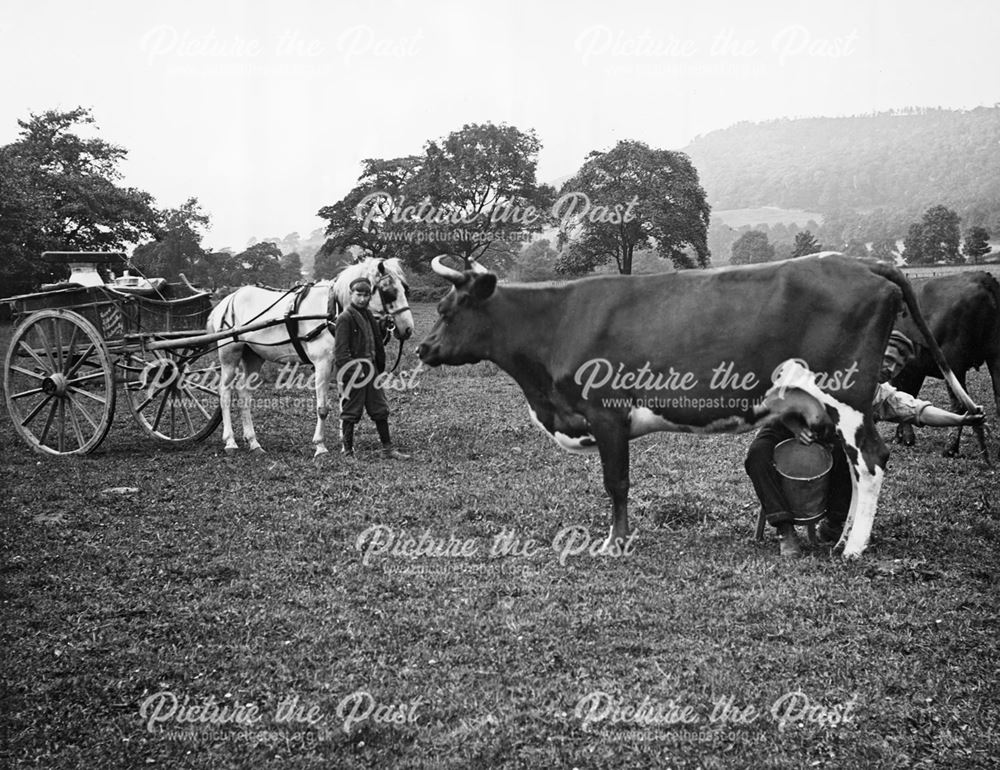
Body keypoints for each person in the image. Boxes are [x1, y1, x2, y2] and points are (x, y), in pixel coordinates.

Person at [745, 331, 985, 556]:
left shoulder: (876, 393)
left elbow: (917, 410)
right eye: (888, 359)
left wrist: (960, 419)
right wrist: (795, 426)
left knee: (853, 452)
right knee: (757, 455)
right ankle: (784, 530)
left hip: (827, 435)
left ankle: (834, 522)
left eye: (899, 365)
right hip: (785, 423)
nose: (891, 369)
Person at [333, 277, 410, 460]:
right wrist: (355, 373)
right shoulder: (345, 318)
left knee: (380, 409)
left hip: (372, 370)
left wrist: (383, 325)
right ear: (351, 295)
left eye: (366, 295)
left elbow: (375, 339)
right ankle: (348, 452)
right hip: (355, 373)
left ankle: (388, 449)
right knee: (351, 411)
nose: (362, 299)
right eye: (358, 295)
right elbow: (341, 353)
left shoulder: (368, 315)